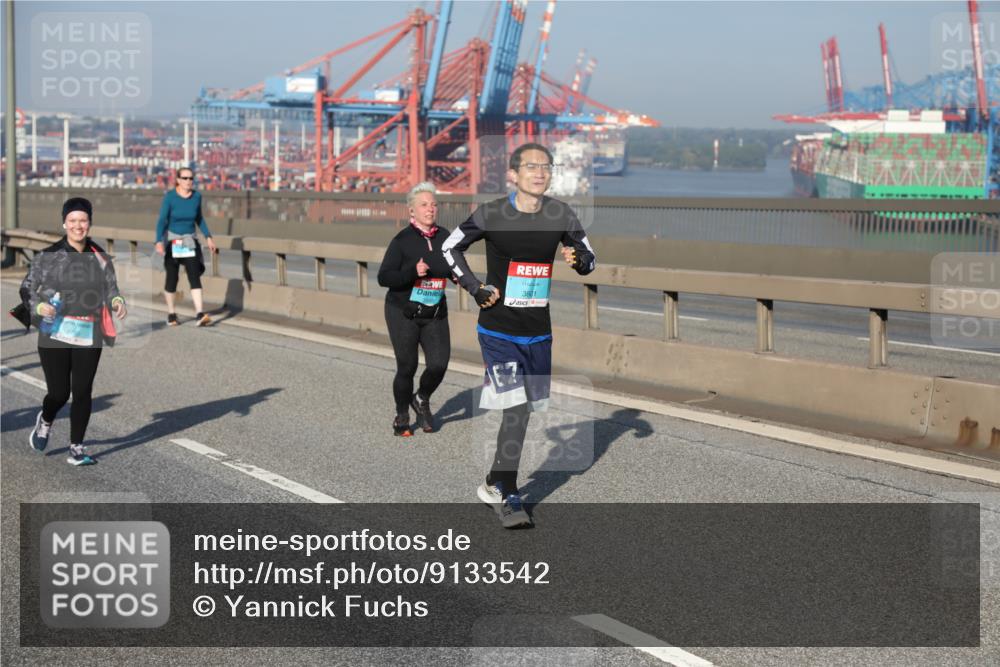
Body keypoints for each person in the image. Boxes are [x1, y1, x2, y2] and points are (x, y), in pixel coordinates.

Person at [442, 143, 596, 528]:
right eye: (531, 166)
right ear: (513, 174)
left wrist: (580, 260)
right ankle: (508, 493)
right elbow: (449, 248)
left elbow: (589, 258)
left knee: (526, 408)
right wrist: (475, 287)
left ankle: (495, 479)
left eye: (546, 166)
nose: (540, 172)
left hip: (538, 333)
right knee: (513, 405)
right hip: (497, 331)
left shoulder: (560, 213)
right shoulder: (492, 213)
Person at [20, 197, 128, 466]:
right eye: (73, 221)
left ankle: (77, 448)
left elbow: (111, 288)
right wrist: (41, 305)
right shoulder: (50, 256)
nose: (78, 226)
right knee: (59, 393)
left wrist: (117, 301)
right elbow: (26, 288)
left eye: (83, 220)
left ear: (89, 223)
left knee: (82, 391)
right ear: (64, 223)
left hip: (88, 331)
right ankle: (45, 421)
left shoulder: (100, 257)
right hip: (54, 332)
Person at [377, 182, 453, 437]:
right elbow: (384, 277)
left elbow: (457, 264)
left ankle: (421, 397)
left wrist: (461, 279)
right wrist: (413, 272)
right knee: (407, 366)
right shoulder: (402, 241)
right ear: (411, 211)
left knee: (439, 364)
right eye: (424, 205)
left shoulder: (445, 236)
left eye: (433, 204)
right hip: (403, 312)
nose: (430, 209)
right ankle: (402, 414)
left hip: (434, 312)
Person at [155, 167, 217, 326]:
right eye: (185, 178)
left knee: (194, 276)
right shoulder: (170, 197)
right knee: (172, 278)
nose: (188, 181)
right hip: (173, 241)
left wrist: (208, 236)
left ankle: (199, 314)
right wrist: (158, 241)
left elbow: (199, 218)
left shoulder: (197, 197)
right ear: (178, 180)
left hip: (190, 241)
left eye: (191, 178)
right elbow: (162, 220)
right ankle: (171, 314)